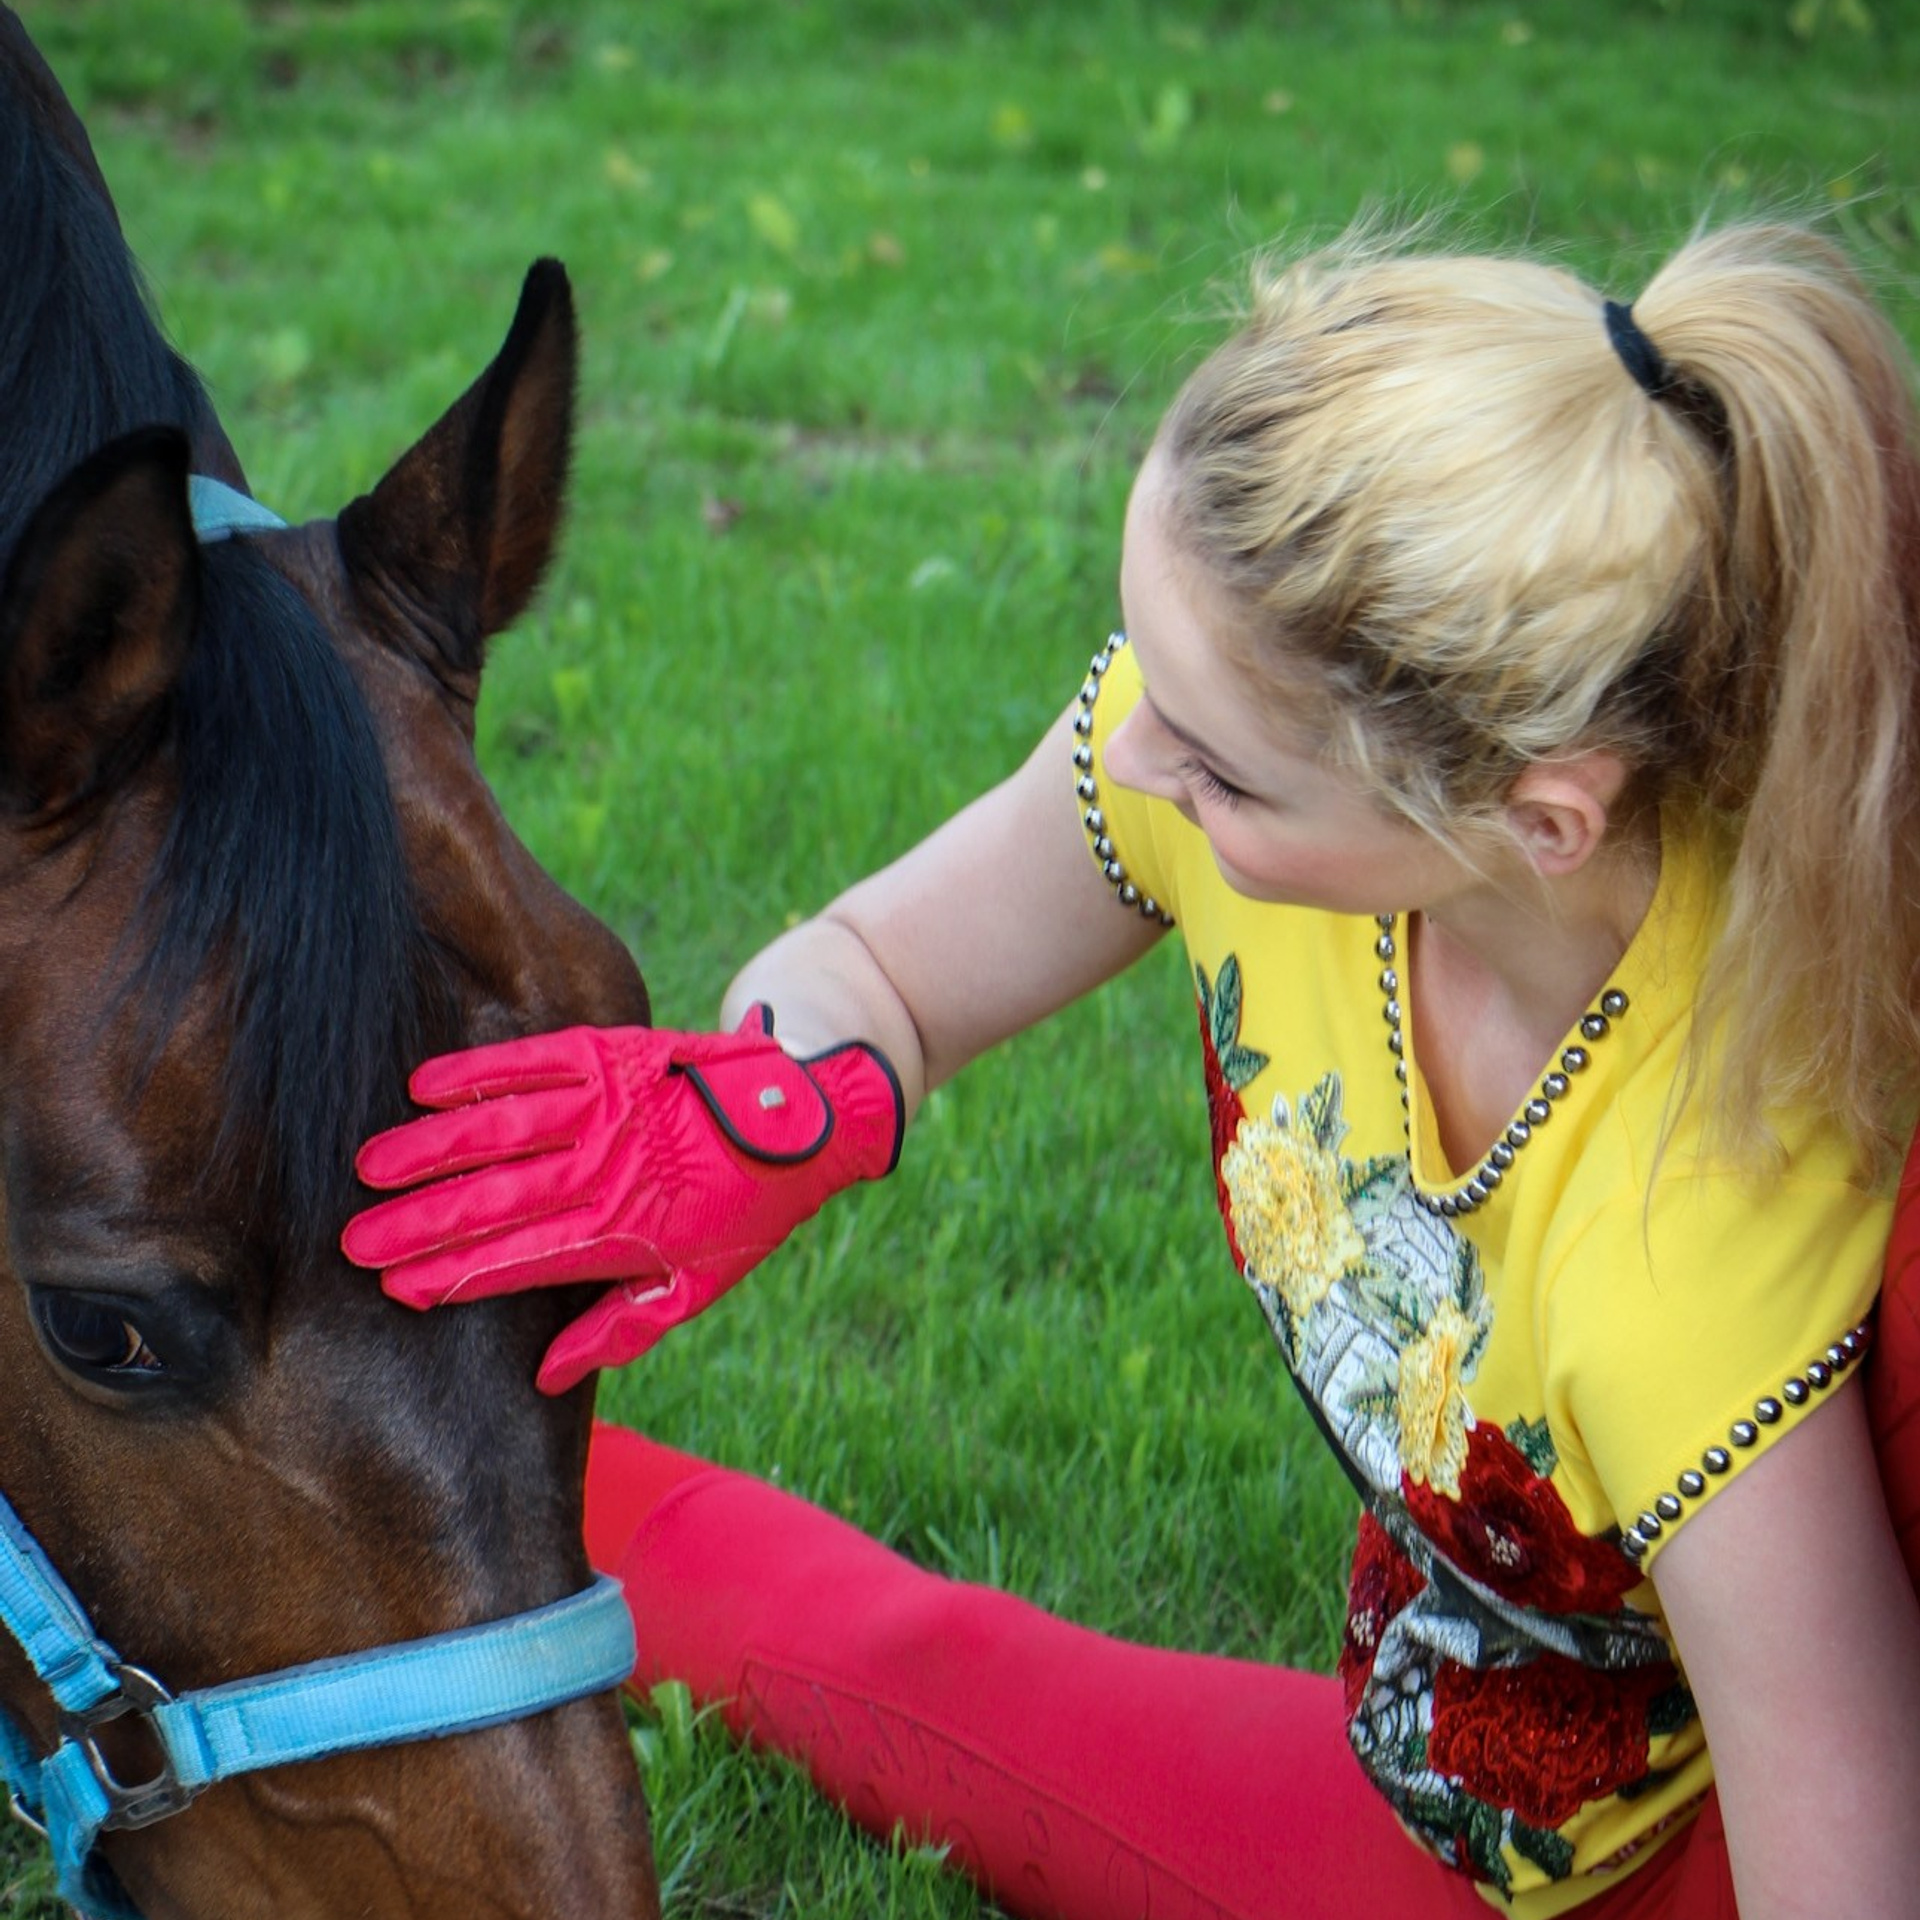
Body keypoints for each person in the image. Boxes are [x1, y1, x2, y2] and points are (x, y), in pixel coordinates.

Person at [342, 219, 1920, 1920]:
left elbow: (1845, 1860)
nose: (1141, 759)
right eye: (1148, 673)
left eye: (1224, 760)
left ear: (1533, 817)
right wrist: (793, 1102)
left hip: (1686, 1874)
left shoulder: (1683, 1244)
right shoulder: (1231, 782)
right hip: (1436, 1808)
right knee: (814, 1645)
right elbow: (880, 970)